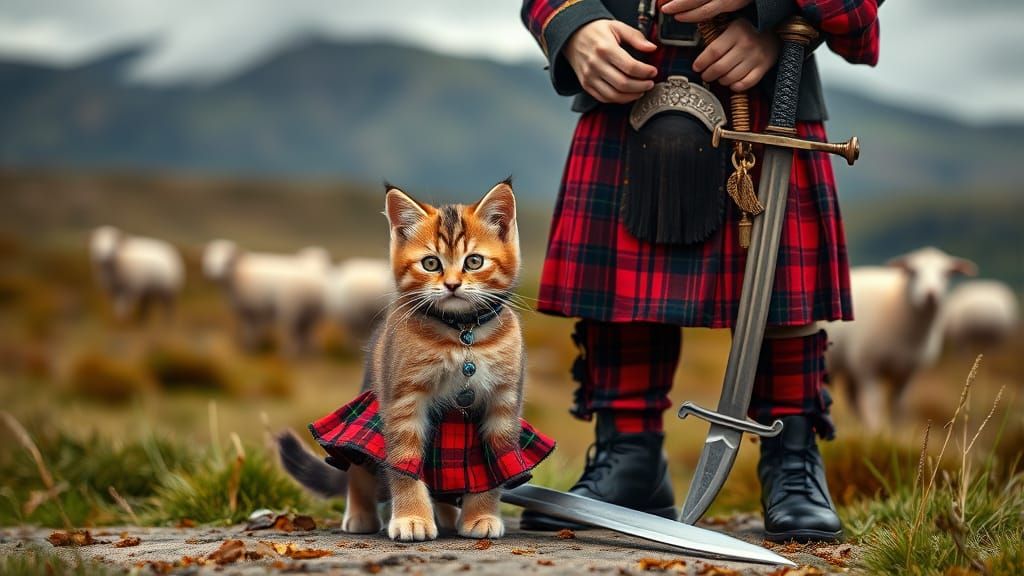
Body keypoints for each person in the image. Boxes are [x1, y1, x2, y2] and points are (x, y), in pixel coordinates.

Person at [519, 0, 879, 541]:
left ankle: (793, 462)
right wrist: (572, 25)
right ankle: (629, 458)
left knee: (779, 284)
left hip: (768, 85)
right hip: (627, 75)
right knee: (623, 286)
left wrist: (773, 17)